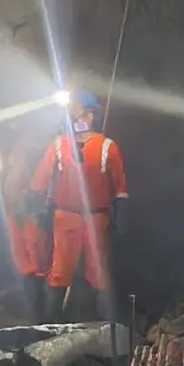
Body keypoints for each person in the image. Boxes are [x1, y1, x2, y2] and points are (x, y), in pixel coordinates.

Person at [27, 90, 129, 318]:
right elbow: (40, 179)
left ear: (91, 116)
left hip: (96, 217)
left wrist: (121, 210)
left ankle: (104, 323)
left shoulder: (107, 146)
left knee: (98, 272)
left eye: (79, 113)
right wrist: (33, 200)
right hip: (66, 217)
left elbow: (120, 186)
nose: (76, 119)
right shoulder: (59, 145)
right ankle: (50, 324)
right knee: (60, 271)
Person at [0, 133, 52, 322]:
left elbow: (43, 184)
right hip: (17, 212)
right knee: (23, 262)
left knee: (38, 263)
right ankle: (32, 313)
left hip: (31, 213)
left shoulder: (43, 149)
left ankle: (42, 316)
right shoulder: (18, 146)